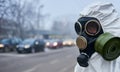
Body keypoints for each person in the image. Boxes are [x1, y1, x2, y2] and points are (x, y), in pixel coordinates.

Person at [74, 2, 120, 72]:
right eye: (81, 29)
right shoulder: (82, 68)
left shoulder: (117, 63)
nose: (84, 35)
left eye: (91, 27)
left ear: (107, 29)